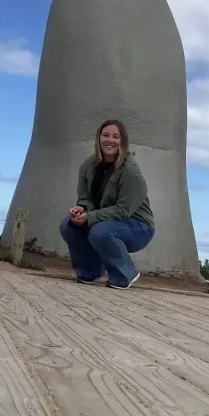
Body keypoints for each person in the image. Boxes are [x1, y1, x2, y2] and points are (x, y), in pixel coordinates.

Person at [59, 119, 155, 289]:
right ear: (98, 138)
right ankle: (89, 271)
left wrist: (90, 217)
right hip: (106, 221)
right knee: (67, 224)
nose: (110, 140)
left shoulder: (130, 171)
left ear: (122, 141)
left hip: (139, 226)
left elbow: (123, 210)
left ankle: (125, 273)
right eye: (106, 135)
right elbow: (85, 197)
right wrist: (81, 208)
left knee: (99, 231)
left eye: (116, 137)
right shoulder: (88, 166)